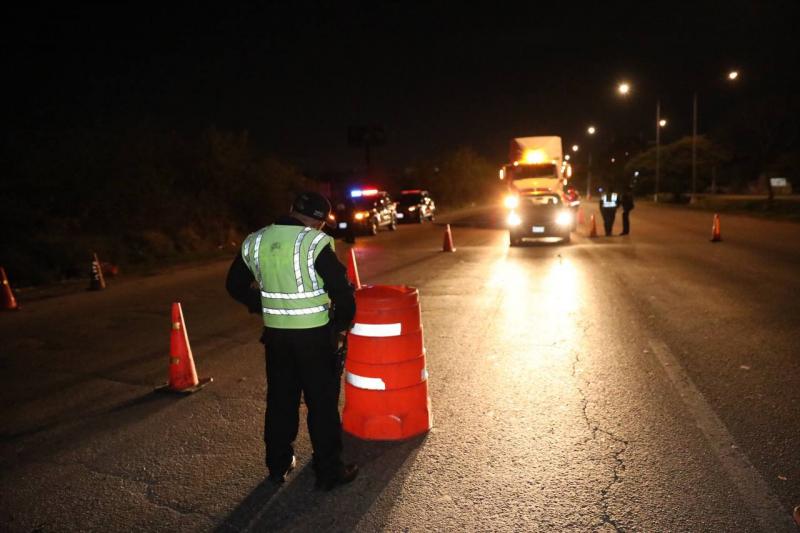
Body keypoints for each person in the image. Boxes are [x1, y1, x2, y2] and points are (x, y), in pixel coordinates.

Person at [226, 191, 358, 491]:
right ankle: (329, 472)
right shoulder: (315, 243)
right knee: (321, 406)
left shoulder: (255, 240)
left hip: (276, 337)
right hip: (314, 337)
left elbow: (233, 284)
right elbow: (342, 293)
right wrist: (339, 326)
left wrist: (262, 305)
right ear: (319, 221)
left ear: (291, 210)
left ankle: (278, 465)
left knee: (281, 402)